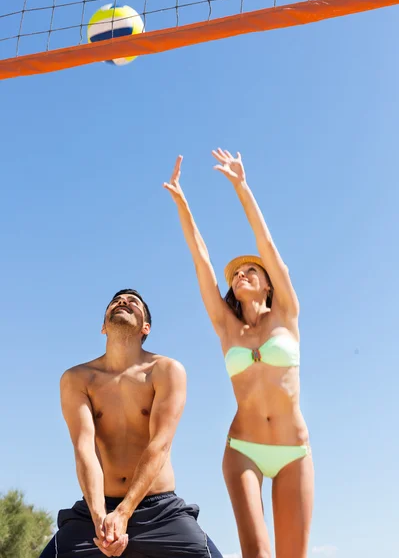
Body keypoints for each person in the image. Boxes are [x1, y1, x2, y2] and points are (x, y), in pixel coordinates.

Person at [164, 150, 314, 558]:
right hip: (243, 447)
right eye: (236, 275)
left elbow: (266, 244)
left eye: (251, 271)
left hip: (292, 450)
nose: (240, 274)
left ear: (269, 285)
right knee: (257, 555)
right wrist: (183, 203)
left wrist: (241, 187)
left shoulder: (287, 313)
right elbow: (202, 261)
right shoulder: (228, 327)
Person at [40, 289, 222, 558]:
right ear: (103, 326)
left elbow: (159, 445)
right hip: (97, 508)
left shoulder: (166, 370)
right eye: (116, 301)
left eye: (132, 302)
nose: (122, 302)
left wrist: (124, 512)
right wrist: (102, 518)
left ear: (145, 327)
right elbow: (84, 450)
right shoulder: (77, 379)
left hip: (159, 510)